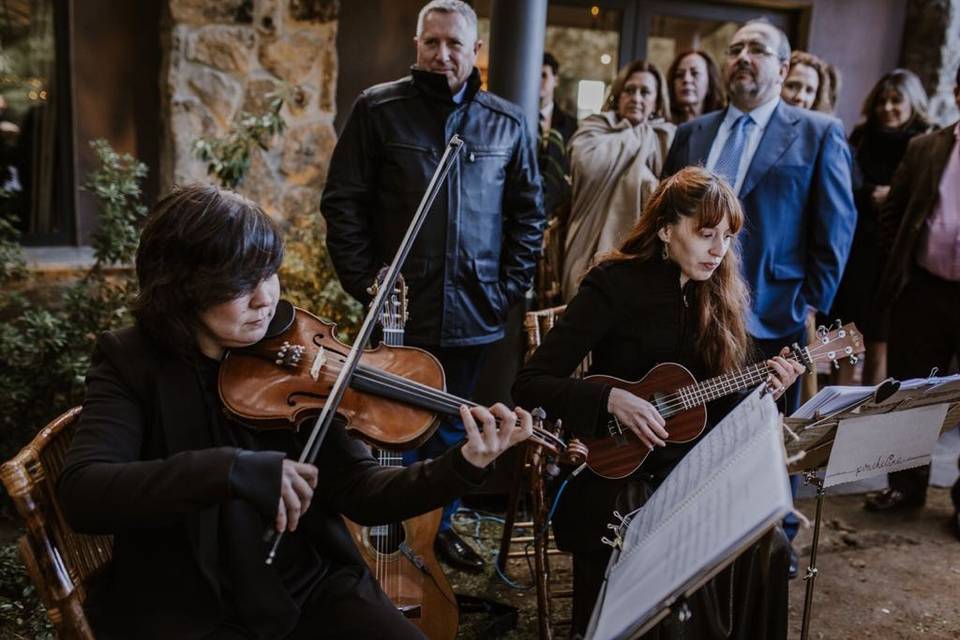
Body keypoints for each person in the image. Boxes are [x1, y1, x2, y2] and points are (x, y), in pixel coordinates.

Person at [56, 184, 533, 639]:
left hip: (304, 585)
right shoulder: (130, 361)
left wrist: (464, 464)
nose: (266, 299)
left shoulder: (295, 354)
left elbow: (362, 491)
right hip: (188, 606)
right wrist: (229, 470)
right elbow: (84, 493)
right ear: (181, 288)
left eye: (268, 274)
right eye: (239, 284)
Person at [513, 167, 804, 638]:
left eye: (727, 237)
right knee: (661, 543)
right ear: (666, 229)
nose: (718, 251)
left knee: (764, 542)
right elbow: (530, 383)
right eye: (705, 234)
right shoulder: (613, 284)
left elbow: (728, 400)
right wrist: (611, 399)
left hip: (694, 469)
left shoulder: (720, 292)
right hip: (619, 470)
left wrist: (772, 388)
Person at [320, 0, 544, 572]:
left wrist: (502, 291)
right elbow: (343, 203)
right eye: (431, 43)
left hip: (474, 312)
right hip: (398, 313)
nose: (442, 55)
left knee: (453, 429)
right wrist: (364, 281)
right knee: (388, 428)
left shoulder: (508, 121)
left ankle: (435, 530)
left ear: (475, 53)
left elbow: (528, 217)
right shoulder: (378, 109)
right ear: (416, 46)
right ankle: (383, 530)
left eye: (455, 45)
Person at [662, 19, 856, 573]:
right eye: (736, 48)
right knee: (697, 433)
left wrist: (808, 306)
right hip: (691, 312)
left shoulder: (818, 132)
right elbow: (665, 221)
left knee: (770, 437)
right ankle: (694, 538)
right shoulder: (693, 134)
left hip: (773, 316)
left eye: (758, 49)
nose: (744, 56)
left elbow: (835, 229)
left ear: (785, 67)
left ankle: (775, 536)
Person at [864, 68, 960, 536]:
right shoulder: (924, 148)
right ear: (958, 92)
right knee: (913, 394)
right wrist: (896, 269)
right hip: (922, 289)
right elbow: (893, 212)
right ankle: (904, 485)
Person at [830, 69, 931, 385]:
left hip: (894, 255)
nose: (887, 108)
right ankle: (833, 412)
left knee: (879, 340)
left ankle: (872, 418)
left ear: (912, 102)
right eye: (882, 101)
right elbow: (846, 185)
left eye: (896, 100)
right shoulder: (859, 137)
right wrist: (876, 194)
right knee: (844, 336)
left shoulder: (926, 142)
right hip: (854, 251)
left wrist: (888, 195)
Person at [560, 59, 675, 301]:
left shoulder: (666, 137)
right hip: (587, 243)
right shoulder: (594, 128)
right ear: (618, 94)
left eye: (645, 92)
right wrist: (634, 137)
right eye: (629, 90)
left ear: (656, 100)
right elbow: (586, 167)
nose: (636, 97)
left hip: (644, 256)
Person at [666, 49, 726, 124]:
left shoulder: (723, 125)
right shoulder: (662, 128)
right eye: (680, 75)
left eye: (695, 73)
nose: (686, 79)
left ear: (710, 83)